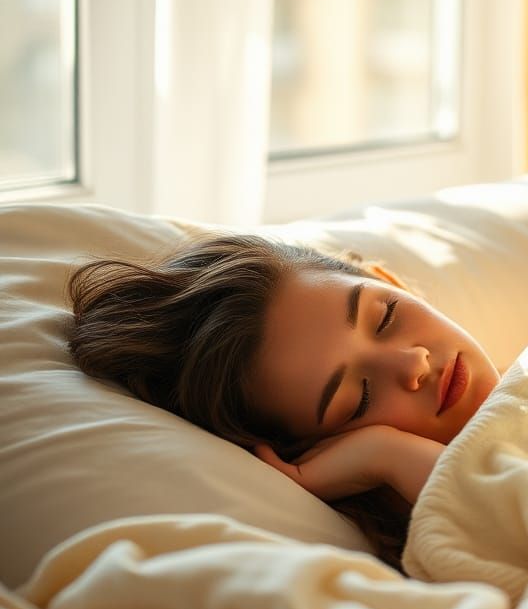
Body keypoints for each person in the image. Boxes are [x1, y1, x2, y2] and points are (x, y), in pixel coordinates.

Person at [65, 234, 501, 568]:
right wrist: (390, 457)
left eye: (386, 316)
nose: (414, 365)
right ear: (322, 448)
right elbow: (523, 534)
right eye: (358, 398)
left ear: (391, 282)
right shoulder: (445, 552)